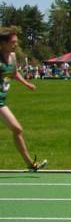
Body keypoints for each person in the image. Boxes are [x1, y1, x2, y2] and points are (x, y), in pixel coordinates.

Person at [0, 28, 47, 171]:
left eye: (16, 42)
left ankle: (30, 164)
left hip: (1, 100)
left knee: (17, 129)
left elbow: (14, 73)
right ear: (2, 43)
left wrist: (27, 84)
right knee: (17, 129)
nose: (15, 45)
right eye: (12, 42)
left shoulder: (13, 57)